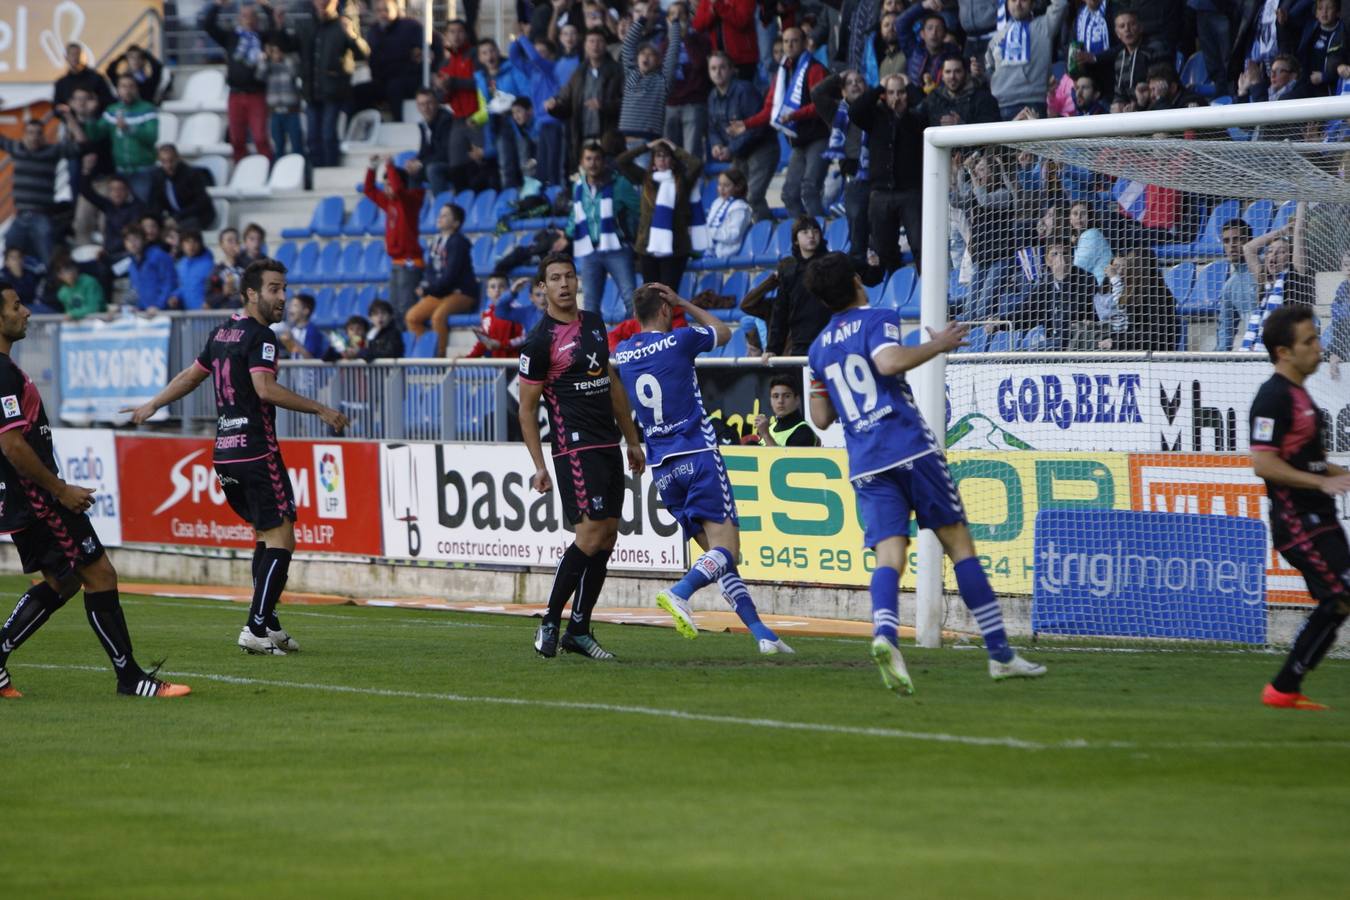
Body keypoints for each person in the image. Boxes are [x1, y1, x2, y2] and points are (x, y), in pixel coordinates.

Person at [802, 251, 1046, 693]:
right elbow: (888, 363)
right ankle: (1000, 655)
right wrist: (938, 344)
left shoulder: (818, 347)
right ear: (858, 280)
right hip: (908, 447)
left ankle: (886, 635)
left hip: (866, 462)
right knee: (960, 546)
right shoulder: (880, 316)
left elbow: (819, 417)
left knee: (889, 558)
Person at [127, 259, 350, 655]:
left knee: (266, 536)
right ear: (251, 293)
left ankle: (272, 625)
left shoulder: (221, 332)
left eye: (284, 289)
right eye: (275, 289)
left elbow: (191, 376)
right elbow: (264, 389)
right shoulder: (262, 336)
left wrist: (152, 404)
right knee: (282, 538)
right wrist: (321, 409)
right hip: (256, 448)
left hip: (225, 452)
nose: (283, 297)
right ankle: (255, 626)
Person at [0, 286, 189, 699]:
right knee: (99, 574)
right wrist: (60, 489)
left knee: (64, 580)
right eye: (16, 306)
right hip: (37, 498)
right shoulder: (1, 372)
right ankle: (131, 678)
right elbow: (11, 445)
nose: (27, 312)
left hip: (24, 498)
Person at [613, 282, 793, 654]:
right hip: (697, 454)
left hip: (663, 469)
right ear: (664, 310)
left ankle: (763, 634)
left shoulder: (624, 351)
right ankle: (679, 593)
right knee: (727, 551)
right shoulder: (680, 340)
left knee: (717, 557)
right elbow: (723, 332)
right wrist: (684, 302)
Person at [517, 253, 646, 660]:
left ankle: (579, 628)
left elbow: (611, 384)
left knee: (608, 537)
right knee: (588, 535)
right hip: (574, 447)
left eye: (569, 276)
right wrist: (539, 465)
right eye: (554, 279)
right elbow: (526, 408)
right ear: (543, 288)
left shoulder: (593, 323)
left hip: (607, 442)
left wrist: (632, 439)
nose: (564, 284)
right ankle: (550, 622)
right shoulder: (539, 342)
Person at [1250, 305, 1350, 710]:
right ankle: (1283, 687)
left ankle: (1286, 686)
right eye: (1308, 341)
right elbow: (1264, 463)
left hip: (1320, 517)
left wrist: (1335, 471)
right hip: (1297, 520)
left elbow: (1308, 457)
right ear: (1283, 352)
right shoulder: (1272, 397)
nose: (1318, 347)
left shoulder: (1299, 395)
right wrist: (1321, 482)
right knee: (1343, 593)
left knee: (1340, 599)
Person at [731, 27, 828, 219]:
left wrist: (794, 116)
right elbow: (770, 110)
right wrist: (747, 124)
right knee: (789, 194)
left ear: (804, 42)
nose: (789, 45)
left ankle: (821, 237)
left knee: (809, 190)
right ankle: (800, 236)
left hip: (819, 138)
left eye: (794, 41)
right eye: (786, 41)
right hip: (798, 141)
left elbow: (821, 105)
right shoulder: (782, 73)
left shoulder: (815, 69)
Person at [276, 0, 370, 168]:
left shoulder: (343, 24)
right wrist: (279, 27)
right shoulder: (305, 25)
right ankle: (317, 172)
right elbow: (287, 46)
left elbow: (363, 54)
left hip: (334, 92)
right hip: (312, 91)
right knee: (312, 138)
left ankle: (330, 172)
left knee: (328, 135)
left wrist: (352, 35)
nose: (322, 2)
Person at [849, 74, 925, 274]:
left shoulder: (916, 119)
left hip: (910, 192)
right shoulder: (875, 117)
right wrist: (877, 87)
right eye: (891, 92)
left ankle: (927, 292)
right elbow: (855, 111)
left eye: (901, 92)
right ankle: (896, 290)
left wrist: (910, 85)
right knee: (884, 250)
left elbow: (927, 106)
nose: (896, 97)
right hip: (880, 193)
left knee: (921, 246)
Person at [616, 137, 704, 290]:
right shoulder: (645, 178)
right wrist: (647, 146)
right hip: (647, 248)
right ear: (653, 160)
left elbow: (696, 164)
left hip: (675, 249)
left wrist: (675, 147)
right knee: (651, 296)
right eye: (658, 155)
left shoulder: (682, 181)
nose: (662, 159)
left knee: (669, 295)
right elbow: (621, 161)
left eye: (666, 155)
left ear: (673, 159)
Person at [0, 114, 89, 264]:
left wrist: (70, 119)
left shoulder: (51, 151)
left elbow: (82, 146)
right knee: (10, 251)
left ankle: (51, 284)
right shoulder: (17, 148)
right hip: (20, 215)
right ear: (23, 135)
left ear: (43, 136)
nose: (34, 137)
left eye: (38, 133)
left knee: (48, 256)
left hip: (41, 215)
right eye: (30, 133)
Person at [567, 141, 639, 316]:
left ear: (604, 161)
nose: (592, 163)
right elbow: (575, 215)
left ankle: (636, 340)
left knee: (632, 299)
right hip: (590, 250)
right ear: (582, 162)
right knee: (590, 306)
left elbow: (640, 210)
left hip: (617, 248)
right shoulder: (578, 187)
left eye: (597, 159)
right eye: (588, 159)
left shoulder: (619, 184)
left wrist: (634, 234)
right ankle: (595, 343)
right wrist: (566, 234)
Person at [202, 0, 275, 161]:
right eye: (244, 16)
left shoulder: (262, 37)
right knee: (237, 139)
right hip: (235, 95)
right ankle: (241, 168)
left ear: (256, 19)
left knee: (260, 138)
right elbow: (208, 26)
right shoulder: (231, 37)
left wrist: (264, 5)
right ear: (239, 18)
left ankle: (267, 167)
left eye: (251, 16)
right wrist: (217, 5)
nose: (248, 19)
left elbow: (274, 26)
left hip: (256, 94)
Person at [707, 51, 774, 223]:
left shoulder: (745, 90)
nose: (718, 72)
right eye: (713, 68)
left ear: (731, 70)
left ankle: (767, 230)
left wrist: (730, 149)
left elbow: (756, 128)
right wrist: (717, 145)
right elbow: (713, 129)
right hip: (739, 152)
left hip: (762, 148)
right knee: (735, 195)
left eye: (722, 67)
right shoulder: (712, 97)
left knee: (753, 196)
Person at [547, 28, 624, 177]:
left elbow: (626, 103)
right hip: (583, 138)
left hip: (608, 137)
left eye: (599, 41)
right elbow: (566, 103)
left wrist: (604, 105)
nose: (595, 45)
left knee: (609, 179)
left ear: (605, 45)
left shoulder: (617, 71)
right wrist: (554, 106)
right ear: (585, 46)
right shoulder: (579, 73)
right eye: (591, 41)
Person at [812, 69, 871, 262]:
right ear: (843, 91)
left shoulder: (878, 109)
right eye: (849, 82)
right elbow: (816, 93)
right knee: (858, 234)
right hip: (854, 178)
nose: (854, 84)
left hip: (879, 177)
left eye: (859, 80)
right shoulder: (835, 112)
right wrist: (838, 77)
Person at [406, 202, 478, 357]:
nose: (440, 218)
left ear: (456, 223)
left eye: (445, 215)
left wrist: (428, 289)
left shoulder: (458, 242)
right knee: (412, 317)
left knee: (438, 317)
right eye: (440, 214)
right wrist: (427, 286)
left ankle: (439, 357)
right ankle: (428, 348)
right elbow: (430, 271)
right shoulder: (436, 240)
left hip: (461, 293)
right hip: (441, 293)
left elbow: (451, 276)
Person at [1240, 202, 1313, 352]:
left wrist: (1302, 199)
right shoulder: (1264, 280)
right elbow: (1248, 248)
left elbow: (1299, 232)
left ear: (1291, 256)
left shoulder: (1296, 275)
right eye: (1270, 251)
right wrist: (1281, 231)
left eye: (1280, 252)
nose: (1273, 255)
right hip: (1255, 354)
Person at [364, 156, 426, 320]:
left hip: (410, 262)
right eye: (384, 185)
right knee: (394, 308)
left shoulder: (411, 200)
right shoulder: (389, 203)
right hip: (396, 262)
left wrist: (390, 166)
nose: (386, 189)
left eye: (389, 184)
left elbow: (399, 190)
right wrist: (372, 168)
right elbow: (369, 190)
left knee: (407, 307)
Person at [985, 0, 1068, 119]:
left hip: (1034, 102)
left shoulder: (1044, 26)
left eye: (1023, 0)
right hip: (1002, 105)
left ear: (1032, 4)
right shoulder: (998, 36)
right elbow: (989, 67)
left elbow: (1061, 4)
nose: (1018, 4)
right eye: (1013, 0)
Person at [619, 4, 684, 155]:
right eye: (643, 53)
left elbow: (673, 51)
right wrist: (642, 19)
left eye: (651, 54)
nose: (646, 57)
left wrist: (674, 24)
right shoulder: (631, 73)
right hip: (624, 141)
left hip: (648, 142)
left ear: (659, 60)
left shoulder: (662, 80)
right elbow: (628, 46)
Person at [356, 0, 427, 120]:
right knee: (359, 90)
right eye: (379, 11)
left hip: (408, 79)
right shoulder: (374, 31)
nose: (383, 14)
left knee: (394, 87)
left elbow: (432, 45)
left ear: (396, 9)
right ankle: (372, 122)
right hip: (383, 80)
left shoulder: (411, 26)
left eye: (386, 10)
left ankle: (397, 123)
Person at [661, 3, 712, 157]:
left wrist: (685, 38)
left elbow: (699, 64)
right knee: (670, 153)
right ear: (667, 19)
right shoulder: (664, 44)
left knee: (692, 154)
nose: (676, 18)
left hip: (693, 103)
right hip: (671, 104)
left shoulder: (700, 39)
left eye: (680, 14)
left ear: (688, 18)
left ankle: (693, 181)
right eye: (672, 14)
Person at [147, 144, 216, 231]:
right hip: (173, 217)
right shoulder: (158, 176)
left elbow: (200, 203)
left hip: (198, 215)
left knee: (179, 228)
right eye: (164, 162)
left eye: (171, 161)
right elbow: (155, 202)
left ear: (177, 158)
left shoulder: (191, 174)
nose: (168, 165)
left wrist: (177, 217)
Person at [1215, 218, 1258, 351]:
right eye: (1226, 241)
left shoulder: (1265, 270)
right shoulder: (1229, 286)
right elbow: (1226, 328)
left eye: (1237, 239)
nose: (1232, 245)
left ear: (1249, 241)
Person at [924, 56, 1000, 127]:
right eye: (948, 72)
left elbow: (990, 131)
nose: (952, 77)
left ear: (966, 74)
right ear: (942, 76)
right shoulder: (934, 97)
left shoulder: (984, 99)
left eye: (957, 71)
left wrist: (962, 125)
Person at [261, 39, 305, 158]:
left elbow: (294, 72)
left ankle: (301, 172)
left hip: (292, 112)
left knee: (297, 146)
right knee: (278, 148)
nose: (276, 54)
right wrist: (265, 59)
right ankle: (279, 173)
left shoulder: (290, 63)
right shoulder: (268, 67)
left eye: (278, 51)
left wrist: (285, 59)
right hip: (275, 113)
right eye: (273, 52)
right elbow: (259, 76)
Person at [753, 374, 819, 447]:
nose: (780, 401)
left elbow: (783, 458)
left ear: (797, 400)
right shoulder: (771, 427)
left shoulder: (804, 432)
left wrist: (765, 435)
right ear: (770, 400)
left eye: (787, 396)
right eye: (776, 396)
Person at [122, 223, 177, 310]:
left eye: (136, 239)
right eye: (128, 240)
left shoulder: (158, 255)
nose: (132, 243)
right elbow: (135, 290)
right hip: (146, 313)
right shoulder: (132, 264)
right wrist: (134, 306)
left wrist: (159, 305)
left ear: (144, 240)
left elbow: (169, 282)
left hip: (163, 311)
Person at [53, 43, 114, 112]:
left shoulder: (96, 78)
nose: (75, 57)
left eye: (77, 54)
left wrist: (96, 103)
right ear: (66, 57)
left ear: (82, 56)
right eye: (71, 54)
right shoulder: (61, 83)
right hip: (72, 120)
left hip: (96, 119)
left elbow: (109, 100)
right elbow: (57, 107)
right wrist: (67, 111)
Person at [705, 169, 752, 259]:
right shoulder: (717, 202)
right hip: (708, 248)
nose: (721, 189)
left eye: (726, 185)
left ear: (738, 187)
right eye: (719, 184)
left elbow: (733, 235)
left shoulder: (740, 208)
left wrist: (708, 232)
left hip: (724, 252)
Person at [170, 229, 215, 310]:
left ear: (200, 244)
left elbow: (214, 288)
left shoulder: (209, 265)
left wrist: (210, 302)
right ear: (182, 244)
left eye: (195, 241)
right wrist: (175, 296)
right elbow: (183, 287)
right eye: (187, 241)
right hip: (187, 315)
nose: (191, 245)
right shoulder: (180, 265)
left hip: (206, 313)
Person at [278, 292, 330, 359]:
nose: (290, 309)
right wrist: (287, 343)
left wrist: (293, 340)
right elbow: (293, 352)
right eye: (290, 305)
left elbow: (310, 357)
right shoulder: (293, 330)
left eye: (295, 306)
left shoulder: (312, 331)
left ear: (306, 311)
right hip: (295, 369)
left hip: (309, 369)